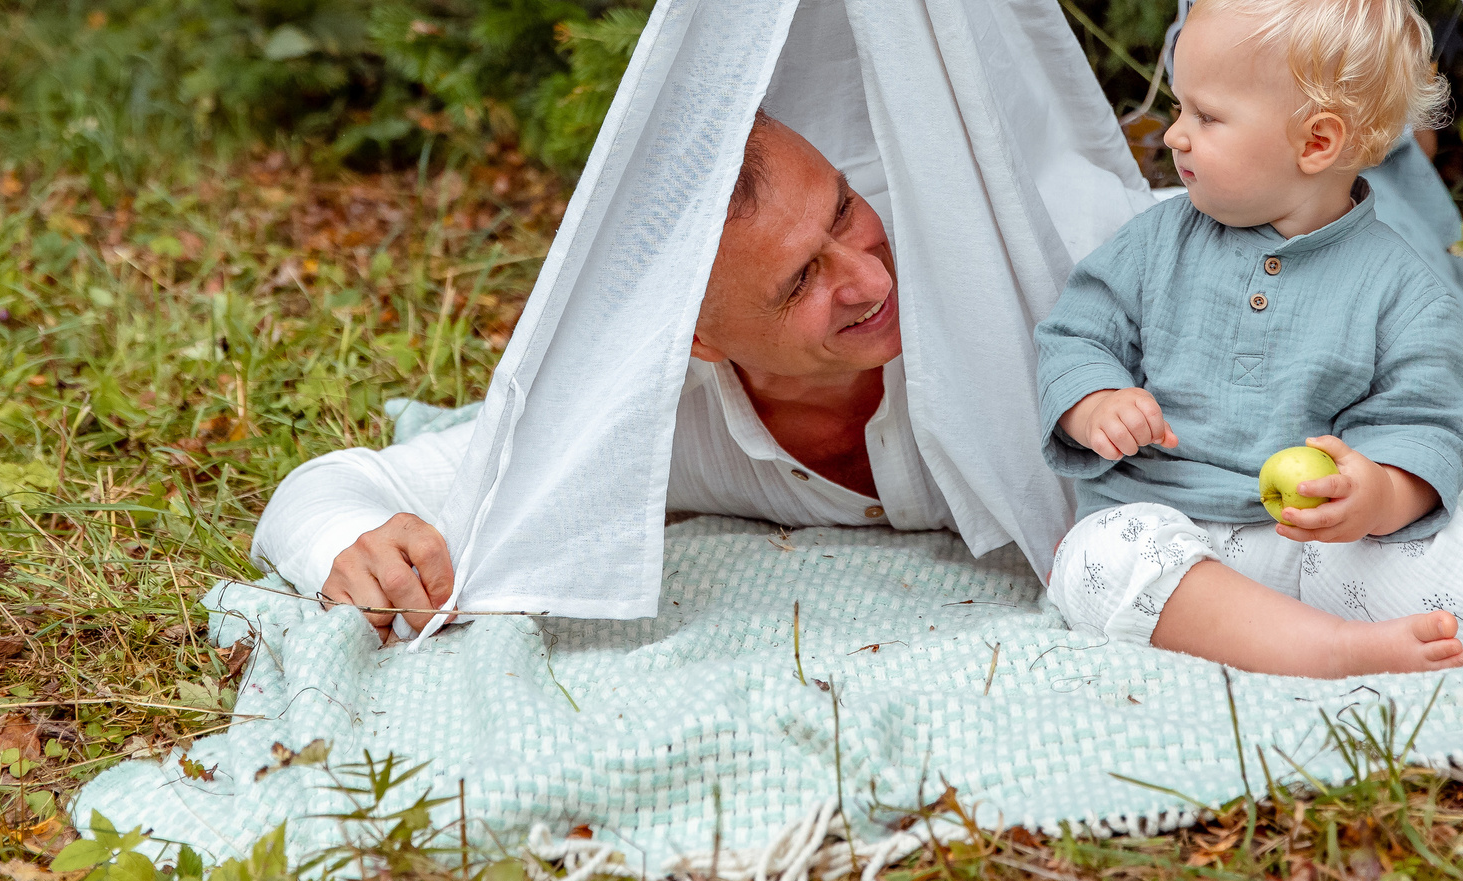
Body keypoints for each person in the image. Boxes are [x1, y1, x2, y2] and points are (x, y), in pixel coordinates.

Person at [1038, 0, 1463, 676]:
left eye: (1206, 115)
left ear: (1316, 141)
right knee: (1095, 562)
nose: (1174, 135)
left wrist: (1376, 493)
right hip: (1168, 525)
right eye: (1178, 108)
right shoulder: (1154, 242)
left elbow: (1421, 431)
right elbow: (1074, 334)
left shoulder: (1401, 290)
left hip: (1317, 542)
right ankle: (1325, 648)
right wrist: (1096, 400)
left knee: (1460, 574)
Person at [252, 111, 947, 643]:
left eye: (845, 208)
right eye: (800, 281)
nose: (871, 276)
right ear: (696, 339)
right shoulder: (653, 411)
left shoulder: (983, 298)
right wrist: (350, 551)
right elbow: (327, 487)